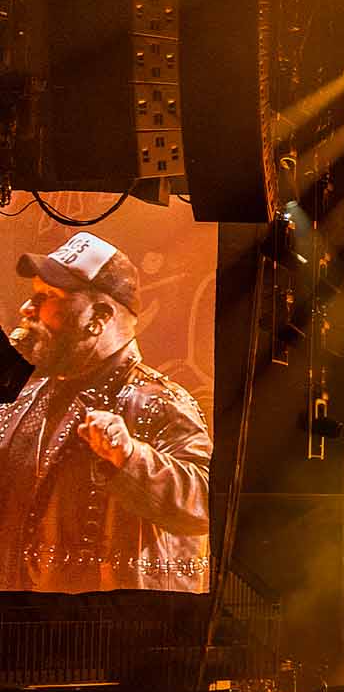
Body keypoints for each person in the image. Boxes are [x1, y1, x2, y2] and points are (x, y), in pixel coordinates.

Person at [0, 231, 211, 593]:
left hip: (112, 638)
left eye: (47, 297)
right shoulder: (22, 397)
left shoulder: (160, 402)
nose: (26, 309)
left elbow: (205, 501)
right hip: (24, 633)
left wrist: (128, 457)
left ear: (98, 317)